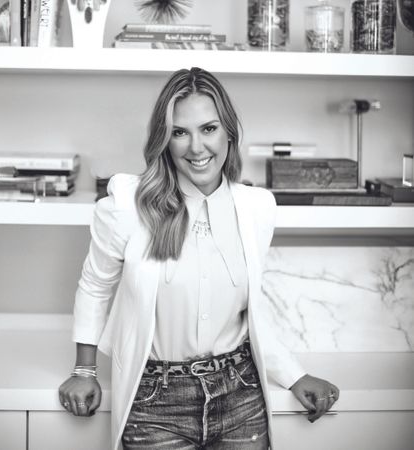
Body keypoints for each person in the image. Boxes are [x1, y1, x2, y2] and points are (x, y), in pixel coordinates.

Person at [59, 67, 339, 450]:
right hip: (155, 402)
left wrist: (294, 375)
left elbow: (249, 314)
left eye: (208, 129)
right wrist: (83, 370)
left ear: (229, 133)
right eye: (180, 132)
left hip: (240, 395)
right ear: (164, 139)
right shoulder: (128, 204)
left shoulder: (257, 208)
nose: (196, 147)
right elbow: (95, 286)